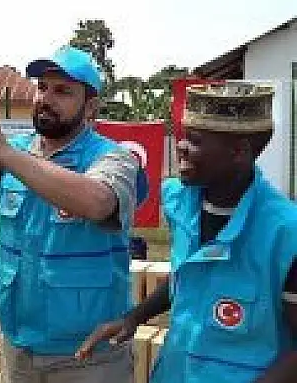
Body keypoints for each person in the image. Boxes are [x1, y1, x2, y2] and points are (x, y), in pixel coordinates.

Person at [78, 82, 297, 383]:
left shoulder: (286, 234)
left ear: (239, 151)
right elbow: (188, 277)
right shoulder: (179, 201)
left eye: (194, 140)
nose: (180, 146)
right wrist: (134, 317)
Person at [0, 46, 147, 382]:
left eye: (62, 91)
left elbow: (98, 202)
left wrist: (5, 154)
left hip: (88, 357)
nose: (45, 98)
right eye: (42, 87)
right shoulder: (15, 151)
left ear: (91, 107)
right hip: (17, 349)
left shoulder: (112, 158)